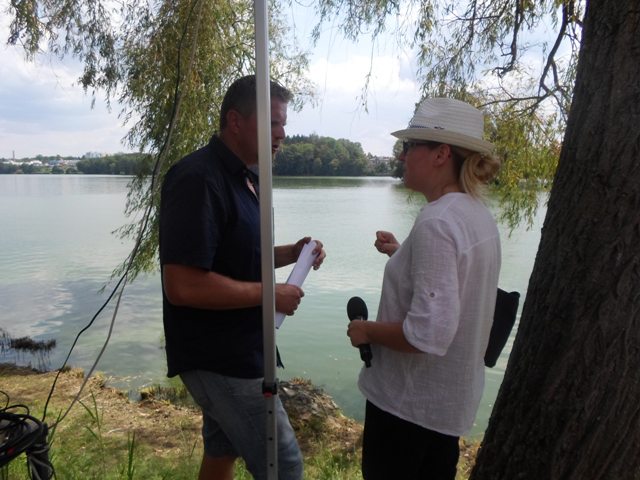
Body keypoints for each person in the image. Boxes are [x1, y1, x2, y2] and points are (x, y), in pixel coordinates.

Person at [159, 75, 325, 480]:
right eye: (273, 123)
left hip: (242, 346)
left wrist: (292, 254)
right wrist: (271, 295)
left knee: (222, 452)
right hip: (219, 356)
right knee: (283, 466)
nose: (282, 134)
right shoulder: (198, 178)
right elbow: (183, 284)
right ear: (236, 121)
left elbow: (236, 256)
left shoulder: (245, 178)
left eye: (283, 123)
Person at [347, 97, 501, 479]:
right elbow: (454, 284)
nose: (402, 156)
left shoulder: (437, 221)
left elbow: (427, 334)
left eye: (410, 146)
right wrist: (403, 253)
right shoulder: (476, 216)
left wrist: (366, 330)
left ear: (441, 154)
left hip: (406, 410)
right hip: (445, 409)